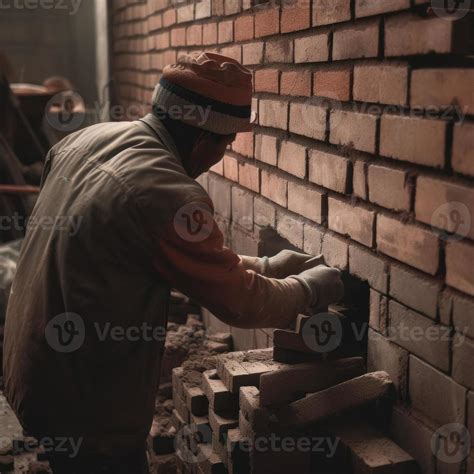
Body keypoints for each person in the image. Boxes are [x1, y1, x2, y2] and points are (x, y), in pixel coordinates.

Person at [3, 52, 343, 473]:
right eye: (227, 144)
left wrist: (270, 267)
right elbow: (242, 304)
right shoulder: (169, 193)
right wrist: (312, 287)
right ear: (203, 140)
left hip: (32, 365)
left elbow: (160, 249)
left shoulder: (86, 139)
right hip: (83, 398)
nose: (223, 154)